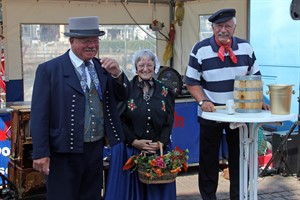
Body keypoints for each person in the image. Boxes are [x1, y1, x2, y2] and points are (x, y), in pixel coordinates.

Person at [30, 16, 130, 200]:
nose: (92, 45)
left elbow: (123, 96)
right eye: (85, 41)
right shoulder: (50, 69)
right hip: (63, 151)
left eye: (95, 40)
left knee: (91, 196)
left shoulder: (103, 68)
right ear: (71, 40)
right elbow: (39, 115)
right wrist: (41, 152)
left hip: (95, 148)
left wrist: (118, 74)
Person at [185, 8, 270, 200]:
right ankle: (208, 197)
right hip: (211, 112)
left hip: (239, 114)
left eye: (228, 26)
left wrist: (260, 101)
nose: (223, 30)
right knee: (208, 160)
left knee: (239, 159)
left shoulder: (246, 48)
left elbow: (254, 78)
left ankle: (239, 196)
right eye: (219, 26)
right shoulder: (200, 49)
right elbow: (191, 82)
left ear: (234, 28)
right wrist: (203, 101)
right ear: (213, 28)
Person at [104, 49, 176, 200]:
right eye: (141, 65)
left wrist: (160, 143)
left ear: (155, 66)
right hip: (131, 152)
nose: (145, 69)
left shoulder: (165, 91)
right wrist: (134, 141)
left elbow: (169, 120)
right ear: (135, 67)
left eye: (149, 65)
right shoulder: (125, 89)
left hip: (158, 152)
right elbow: (119, 119)